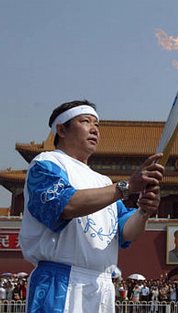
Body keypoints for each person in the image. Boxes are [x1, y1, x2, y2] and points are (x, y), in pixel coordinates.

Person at [19, 100, 165, 313]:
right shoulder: (47, 163)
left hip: (102, 285)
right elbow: (66, 204)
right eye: (85, 121)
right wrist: (127, 187)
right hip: (61, 281)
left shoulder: (103, 182)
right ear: (61, 129)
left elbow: (126, 232)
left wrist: (144, 211)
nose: (94, 129)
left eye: (97, 124)